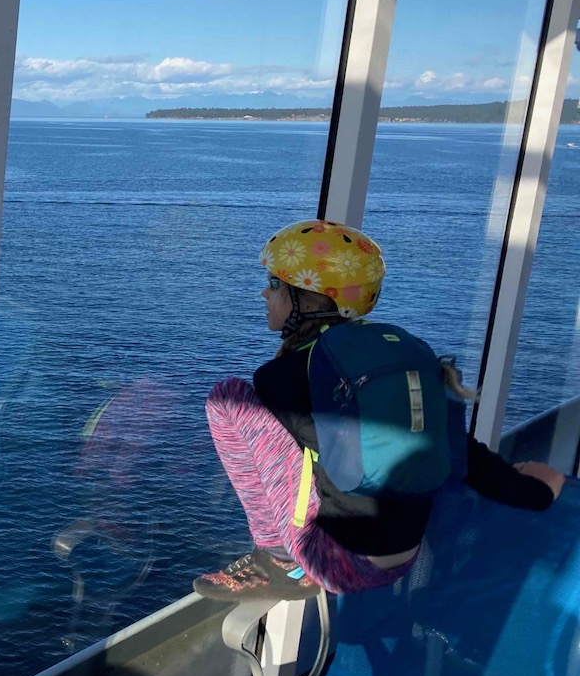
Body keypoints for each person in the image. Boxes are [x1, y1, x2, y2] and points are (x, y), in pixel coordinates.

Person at [193, 219, 564, 600]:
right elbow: (456, 449)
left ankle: (278, 558)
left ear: (306, 297)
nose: (263, 294)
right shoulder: (401, 352)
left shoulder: (280, 376)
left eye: (274, 284)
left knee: (228, 397)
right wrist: (535, 491)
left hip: (335, 563)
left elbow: (304, 464)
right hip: (405, 557)